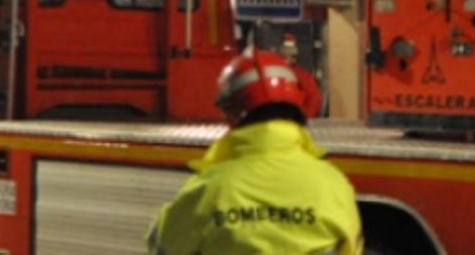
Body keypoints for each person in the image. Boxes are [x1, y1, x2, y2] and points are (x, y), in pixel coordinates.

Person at [147, 49, 363, 254]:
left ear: (230, 114)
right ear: (299, 108)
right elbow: (352, 249)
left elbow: (162, 248)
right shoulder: (333, 184)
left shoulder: (207, 190)